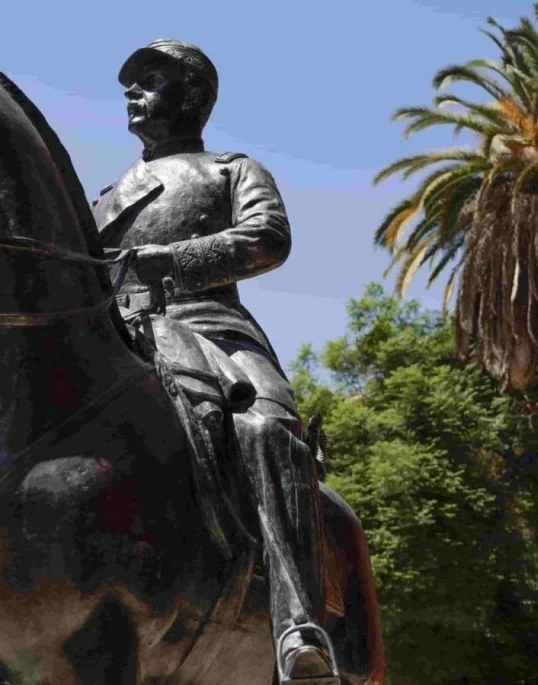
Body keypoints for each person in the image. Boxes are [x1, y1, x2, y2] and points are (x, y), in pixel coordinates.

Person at [92, 39, 336, 683]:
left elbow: (267, 239)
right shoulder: (104, 197)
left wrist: (173, 260)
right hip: (115, 336)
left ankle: (297, 622)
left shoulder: (233, 169)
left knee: (269, 428)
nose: (133, 92)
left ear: (194, 95)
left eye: (151, 79)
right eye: (131, 83)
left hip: (208, 326)